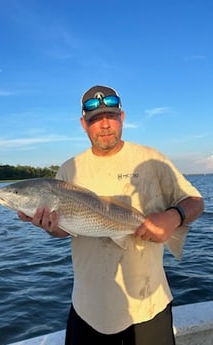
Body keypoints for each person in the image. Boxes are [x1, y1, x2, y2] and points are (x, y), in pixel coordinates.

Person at [18, 85, 204, 345]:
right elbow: (64, 229)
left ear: (122, 117)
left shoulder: (151, 158)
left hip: (149, 304)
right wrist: (49, 227)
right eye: (95, 119)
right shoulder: (69, 169)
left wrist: (174, 216)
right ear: (84, 124)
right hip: (88, 307)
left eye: (110, 117)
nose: (104, 125)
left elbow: (195, 201)